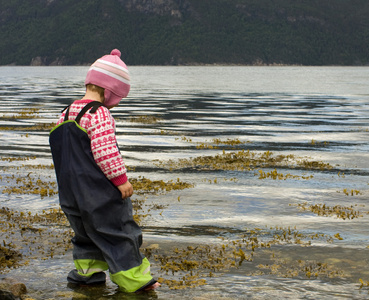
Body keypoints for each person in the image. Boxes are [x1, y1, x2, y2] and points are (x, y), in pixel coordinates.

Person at [49, 49, 160, 293]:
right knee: (119, 233)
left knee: (85, 234)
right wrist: (121, 181)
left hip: (70, 195)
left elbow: (62, 154)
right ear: (109, 92)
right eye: (118, 97)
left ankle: (86, 276)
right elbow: (105, 151)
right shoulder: (99, 114)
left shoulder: (64, 114)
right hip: (99, 194)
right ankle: (136, 281)